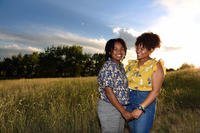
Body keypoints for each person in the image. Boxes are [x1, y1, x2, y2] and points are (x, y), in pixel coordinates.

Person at [126, 32, 165, 133]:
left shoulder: (155, 65)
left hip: (145, 102)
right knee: (133, 130)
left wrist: (140, 108)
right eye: (137, 48)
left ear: (151, 49)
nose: (138, 51)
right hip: (128, 101)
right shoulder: (131, 64)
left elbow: (156, 91)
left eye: (142, 48)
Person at [97, 38, 133, 133]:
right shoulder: (108, 67)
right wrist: (124, 112)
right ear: (109, 51)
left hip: (119, 108)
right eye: (115, 49)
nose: (119, 52)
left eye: (122, 49)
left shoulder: (120, 66)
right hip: (110, 108)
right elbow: (109, 92)